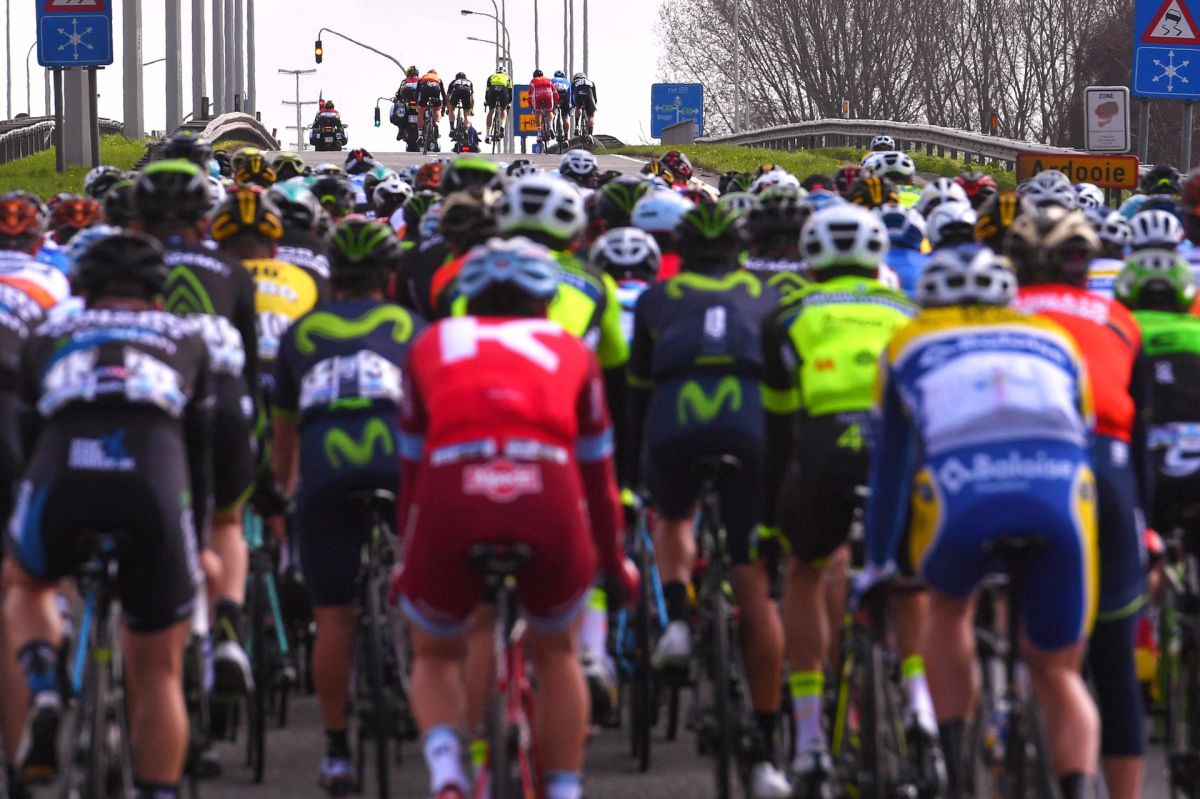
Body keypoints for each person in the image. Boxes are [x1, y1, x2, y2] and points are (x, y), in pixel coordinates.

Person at [391, 237, 636, 799]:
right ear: (545, 300)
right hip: (547, 492)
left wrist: (409, 558)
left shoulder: (430, 345)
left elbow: (411, 473)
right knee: (558, 650)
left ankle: (449, 772)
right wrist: (614, 561)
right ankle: (565, 789)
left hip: (453, 492)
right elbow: (599, 479)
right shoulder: (572, 349)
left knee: (438, 650)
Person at [866, 243, 1101, 799]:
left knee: (948, 607)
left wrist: (878, 564)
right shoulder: (1055, 338)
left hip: (963, 495)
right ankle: (1076, 788)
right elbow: (1085, 435)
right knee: (1058, 672)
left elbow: (890, 469)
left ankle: (955, 764)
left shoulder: (906, 341)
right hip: (1059, 491)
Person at [5, 232, 213, 799]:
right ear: (159, 295)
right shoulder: (187, 336)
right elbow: (202, 455)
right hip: (154, 479)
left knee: (25, 584)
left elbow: (24, 442)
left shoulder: (47, 334)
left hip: (64, 471)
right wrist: (199, 540)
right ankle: (158, 789)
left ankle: (45, 683)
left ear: (82, 290)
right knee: (158, 671)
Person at [760, 205, 924, 795]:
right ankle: (921, 708)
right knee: (909, 579)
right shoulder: (910, 312)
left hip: (826, 448)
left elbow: (779, 429)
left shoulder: (788, 315)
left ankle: (809, 739)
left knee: (804, 569)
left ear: (811, 260)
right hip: (897, 450)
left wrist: (770, 514)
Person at [630, 203, 791, 798]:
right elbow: (784, 399)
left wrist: (635, 471)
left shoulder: (657, 298)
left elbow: (637, 394)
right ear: (739, 252)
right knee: (754, 585)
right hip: (750, 428)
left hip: (677, 420)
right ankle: (767, 751)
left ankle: (676, 618)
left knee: (674, 513)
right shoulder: (769, 296)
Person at [272, 219, 425, 795]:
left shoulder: (301, 333)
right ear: (389, 278)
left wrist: (282, 496)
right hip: (399, 467)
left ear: (331, 277)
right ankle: (426, 695)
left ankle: (336, 750)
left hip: (326, 470)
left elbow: (284, 437)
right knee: (424, 599)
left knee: (333, 617)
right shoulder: (413, 328)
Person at [1010, 207, 1149, 799]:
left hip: (1019, 472)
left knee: (1005, 630)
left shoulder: (999, 313)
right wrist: (1148, 528)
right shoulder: (1120, 319)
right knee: (1116, 668)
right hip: (1109, 477)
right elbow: (1140, 434)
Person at [130, 161, 258, 702]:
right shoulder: (230, 270)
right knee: (225, 520)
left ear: (137, 222)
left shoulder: (127, 268)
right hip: (225, 402)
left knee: (144, 523)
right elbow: (251, 361)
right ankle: (226, 622)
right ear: (205, 220)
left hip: (153, 408)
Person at [416, 69, 447, 145]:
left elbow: (417, 92)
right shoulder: (438, 78)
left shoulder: (423, 78)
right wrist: (443, 107)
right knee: (437, 109)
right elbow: (443, 94)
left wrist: (417, 103)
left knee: (421, 112)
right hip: (435, 89)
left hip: (425, 89)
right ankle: (436, 123)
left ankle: (420, 134)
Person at [483, 66, 513, 144]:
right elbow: (510, 91)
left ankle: (487, 134)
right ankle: (502, 126)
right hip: (503, 91)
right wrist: (509, 102)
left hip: (492, 91)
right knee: (504, 109)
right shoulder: (508, 77)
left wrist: (487, 101)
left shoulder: (491, 77)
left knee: (491, 111)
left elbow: (487, 90)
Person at [530, 70, 557, 142]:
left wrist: (531, 105)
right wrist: (556, 101)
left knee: (537, 113)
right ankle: (550, 127)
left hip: (538, 96)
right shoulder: (548, 80)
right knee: (549, 111)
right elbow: (554, 92)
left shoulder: (533, 81)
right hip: (548, 95)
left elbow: (530, 95)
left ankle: (539, 133)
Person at [552, 70, 573, 140]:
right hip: (565, 96)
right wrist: (570, 104)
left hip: (555, 96)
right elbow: (570, 93)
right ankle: (566, 137)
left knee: (551, 113)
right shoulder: (567, 81)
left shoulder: (552, 80)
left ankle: (551, 128)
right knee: (565, 117)